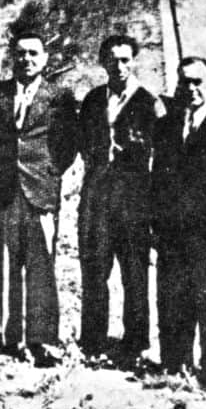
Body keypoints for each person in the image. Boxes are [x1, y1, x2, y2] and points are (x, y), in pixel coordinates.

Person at [0, 32, 79, 366]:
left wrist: (49, 171)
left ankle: (42, 340)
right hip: (3, 193)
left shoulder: (59, 97)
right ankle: (10, 340)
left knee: (41, 267)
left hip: (39, 192)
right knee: (5, 266)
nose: (27, 60)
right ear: (12, 57)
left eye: (34, 53)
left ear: (45, 58)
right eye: (20, 54)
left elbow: (68, 143)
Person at [77, 35, 164, 366]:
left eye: (126, 59)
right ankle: (93, 340)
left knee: (134, 272)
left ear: (135, 62)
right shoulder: (94, 100)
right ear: (102, 62)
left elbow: (160, 154)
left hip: (134, 202)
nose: (120, 65)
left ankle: (136, 342)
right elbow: (85, 145)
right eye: (113, 59)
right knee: (95, 269)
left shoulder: (149, 102)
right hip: (97, 200)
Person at [151, 57, 206, 385]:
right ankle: (175, 363)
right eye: (185, 81)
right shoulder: (167, 124)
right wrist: (156, 223)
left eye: (198, 81)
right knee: (172, 297)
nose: (192, 88)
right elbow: (158, 177)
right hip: (173, 230)